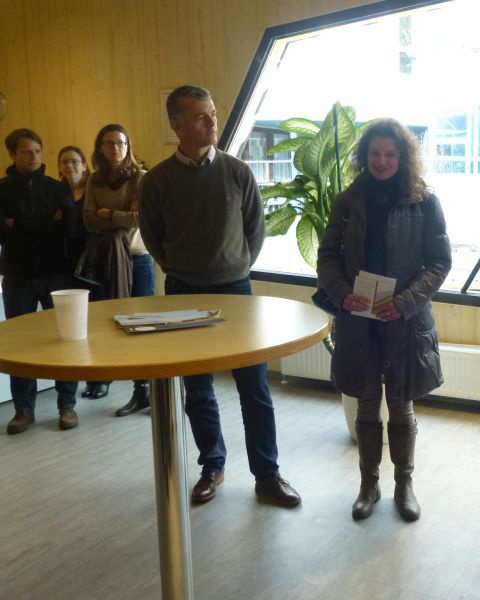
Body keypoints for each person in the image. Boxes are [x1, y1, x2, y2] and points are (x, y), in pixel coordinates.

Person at [139, 84, 301, 507]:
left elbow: (255, 231)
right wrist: (181, 268)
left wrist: (234, 267)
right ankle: (212, 466)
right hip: (183, 293)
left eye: (212, 113)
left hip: (236, 291)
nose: (212, 121)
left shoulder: (237, 172)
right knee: (197, 389)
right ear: (177, 125)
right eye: (200, 116)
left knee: (254, 386)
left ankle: (267, 474)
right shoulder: (156, 181)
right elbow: (153, 238)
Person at [316, 118, 452, 522]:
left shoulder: (424, 201)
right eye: (375, 153)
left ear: (403, 157)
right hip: (359, 320)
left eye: (390, 154)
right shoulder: (347, 201)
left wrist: (406, 302)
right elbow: (327, 257)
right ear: (365, 156)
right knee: (366, 404)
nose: (381, 161)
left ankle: (404, 485)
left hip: (404, 320)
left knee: (401, 403)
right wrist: (343, 294)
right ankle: (368, 485)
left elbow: (439, 262)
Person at [0, 129, 79, 433]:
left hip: (57, 271)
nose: (33, 156)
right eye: (25, 152)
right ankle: (23, 409)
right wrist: (46, 223)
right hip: (18, 275)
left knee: (64, 338)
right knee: (20, 344)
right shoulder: (2, 189)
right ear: (12, 155)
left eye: (36, 151)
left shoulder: (56, 188)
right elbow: (2, 231)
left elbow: (67, 227)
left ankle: (67, 405)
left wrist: (16, 223)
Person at [84, 124, 154, 416]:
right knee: (110, 324)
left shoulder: (141, 178)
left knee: (142, 328)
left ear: (129, 146)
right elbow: (89, 219)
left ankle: (144, 391)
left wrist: (110, 214)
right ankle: (110, 377)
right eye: (110, 143)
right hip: (107, 259)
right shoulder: (94, 180)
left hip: (138, 259)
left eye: (121, 143)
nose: (116, 148)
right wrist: (123, 215)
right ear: (100, 148)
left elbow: (141, 218)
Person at [57, 145, 110, 399]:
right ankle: (87, 374)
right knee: (77, 323)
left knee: (97, 319)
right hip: (67, 264)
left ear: (84, 165)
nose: (70, 166)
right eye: (64, 161)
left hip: (93, 261)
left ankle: (102, 377)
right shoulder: (58, 192)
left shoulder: (93, 188)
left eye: (75, 161)